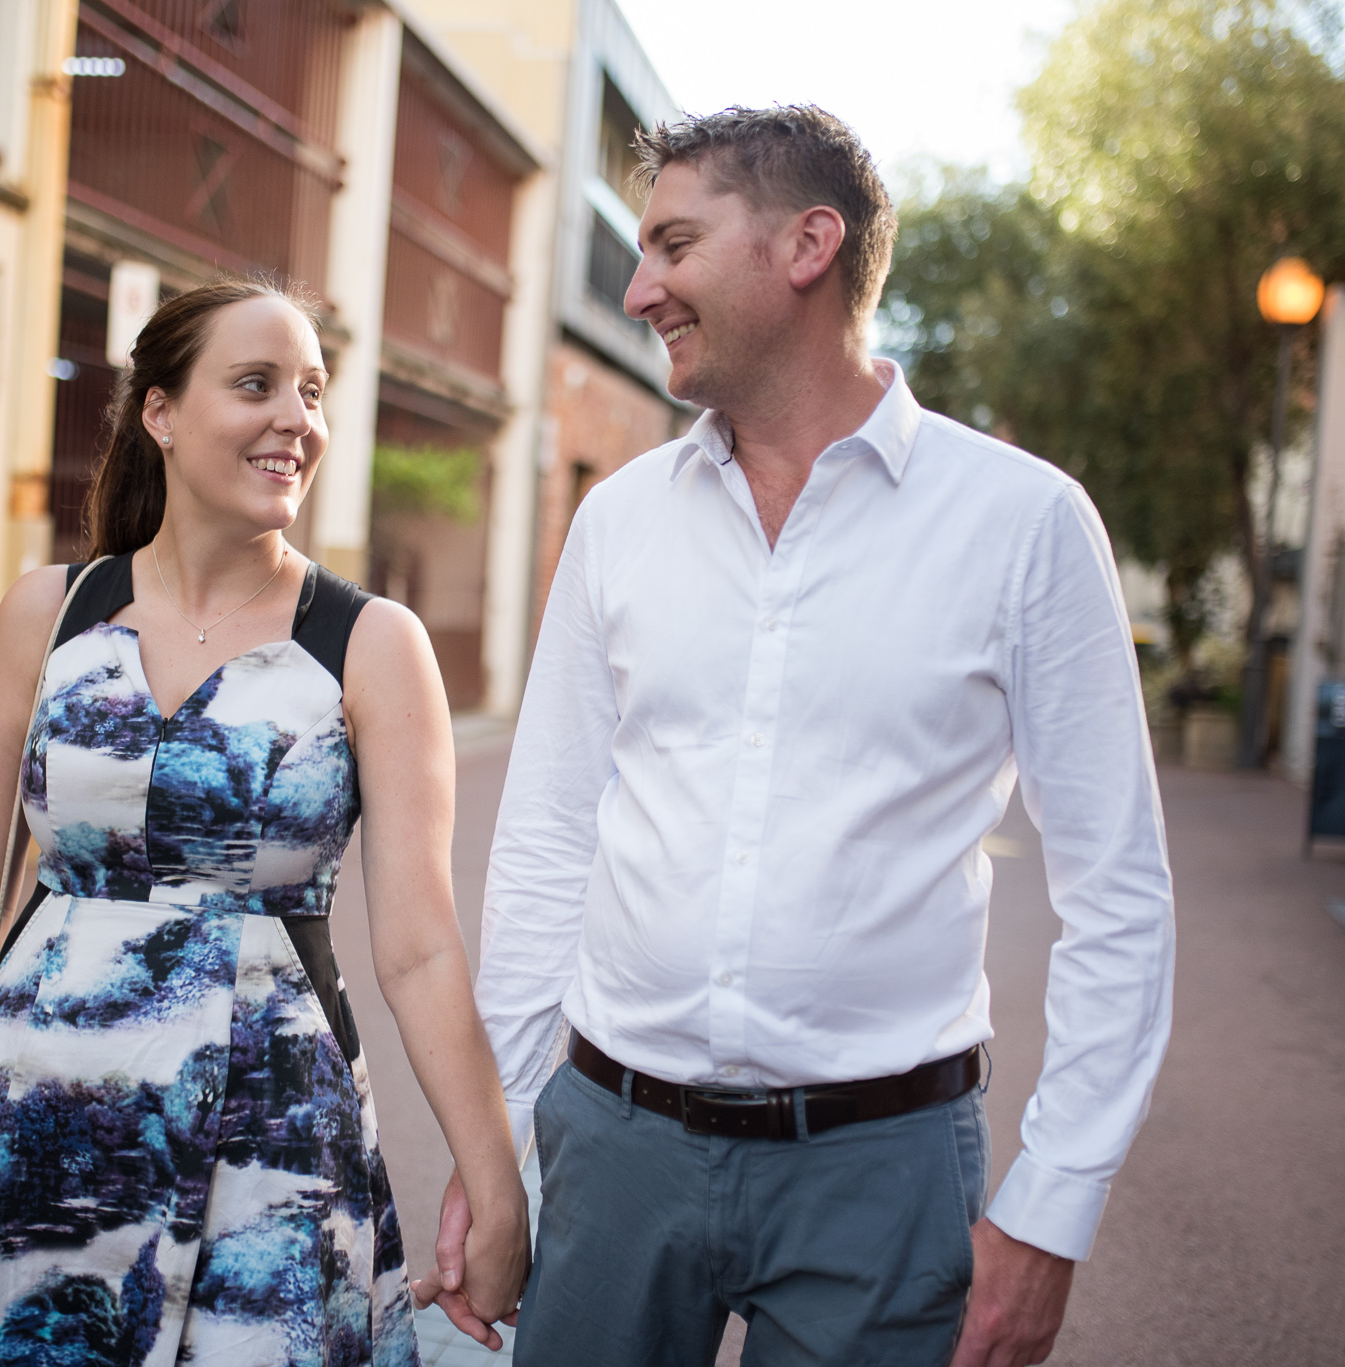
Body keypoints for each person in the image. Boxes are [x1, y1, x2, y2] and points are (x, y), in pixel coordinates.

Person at [419, 106, 1175, 1366]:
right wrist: (494, 1142)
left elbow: (1117, 890)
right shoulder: (617, 522)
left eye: (672, 242)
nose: (637, 283)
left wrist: (1051, 1209)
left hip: (882, 1175)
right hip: (612, 1144)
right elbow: (549, 835)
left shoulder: (1023, 522)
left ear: (806, 244)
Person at [0, 277, 528, 1365]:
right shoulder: (49, 613)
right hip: (38, 1119)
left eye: (311, 392)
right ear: (159, 413)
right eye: (255, 384)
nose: (296, 419)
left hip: (267, 1144)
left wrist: (490, 1177)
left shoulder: (371, 642)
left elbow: (417, 944)